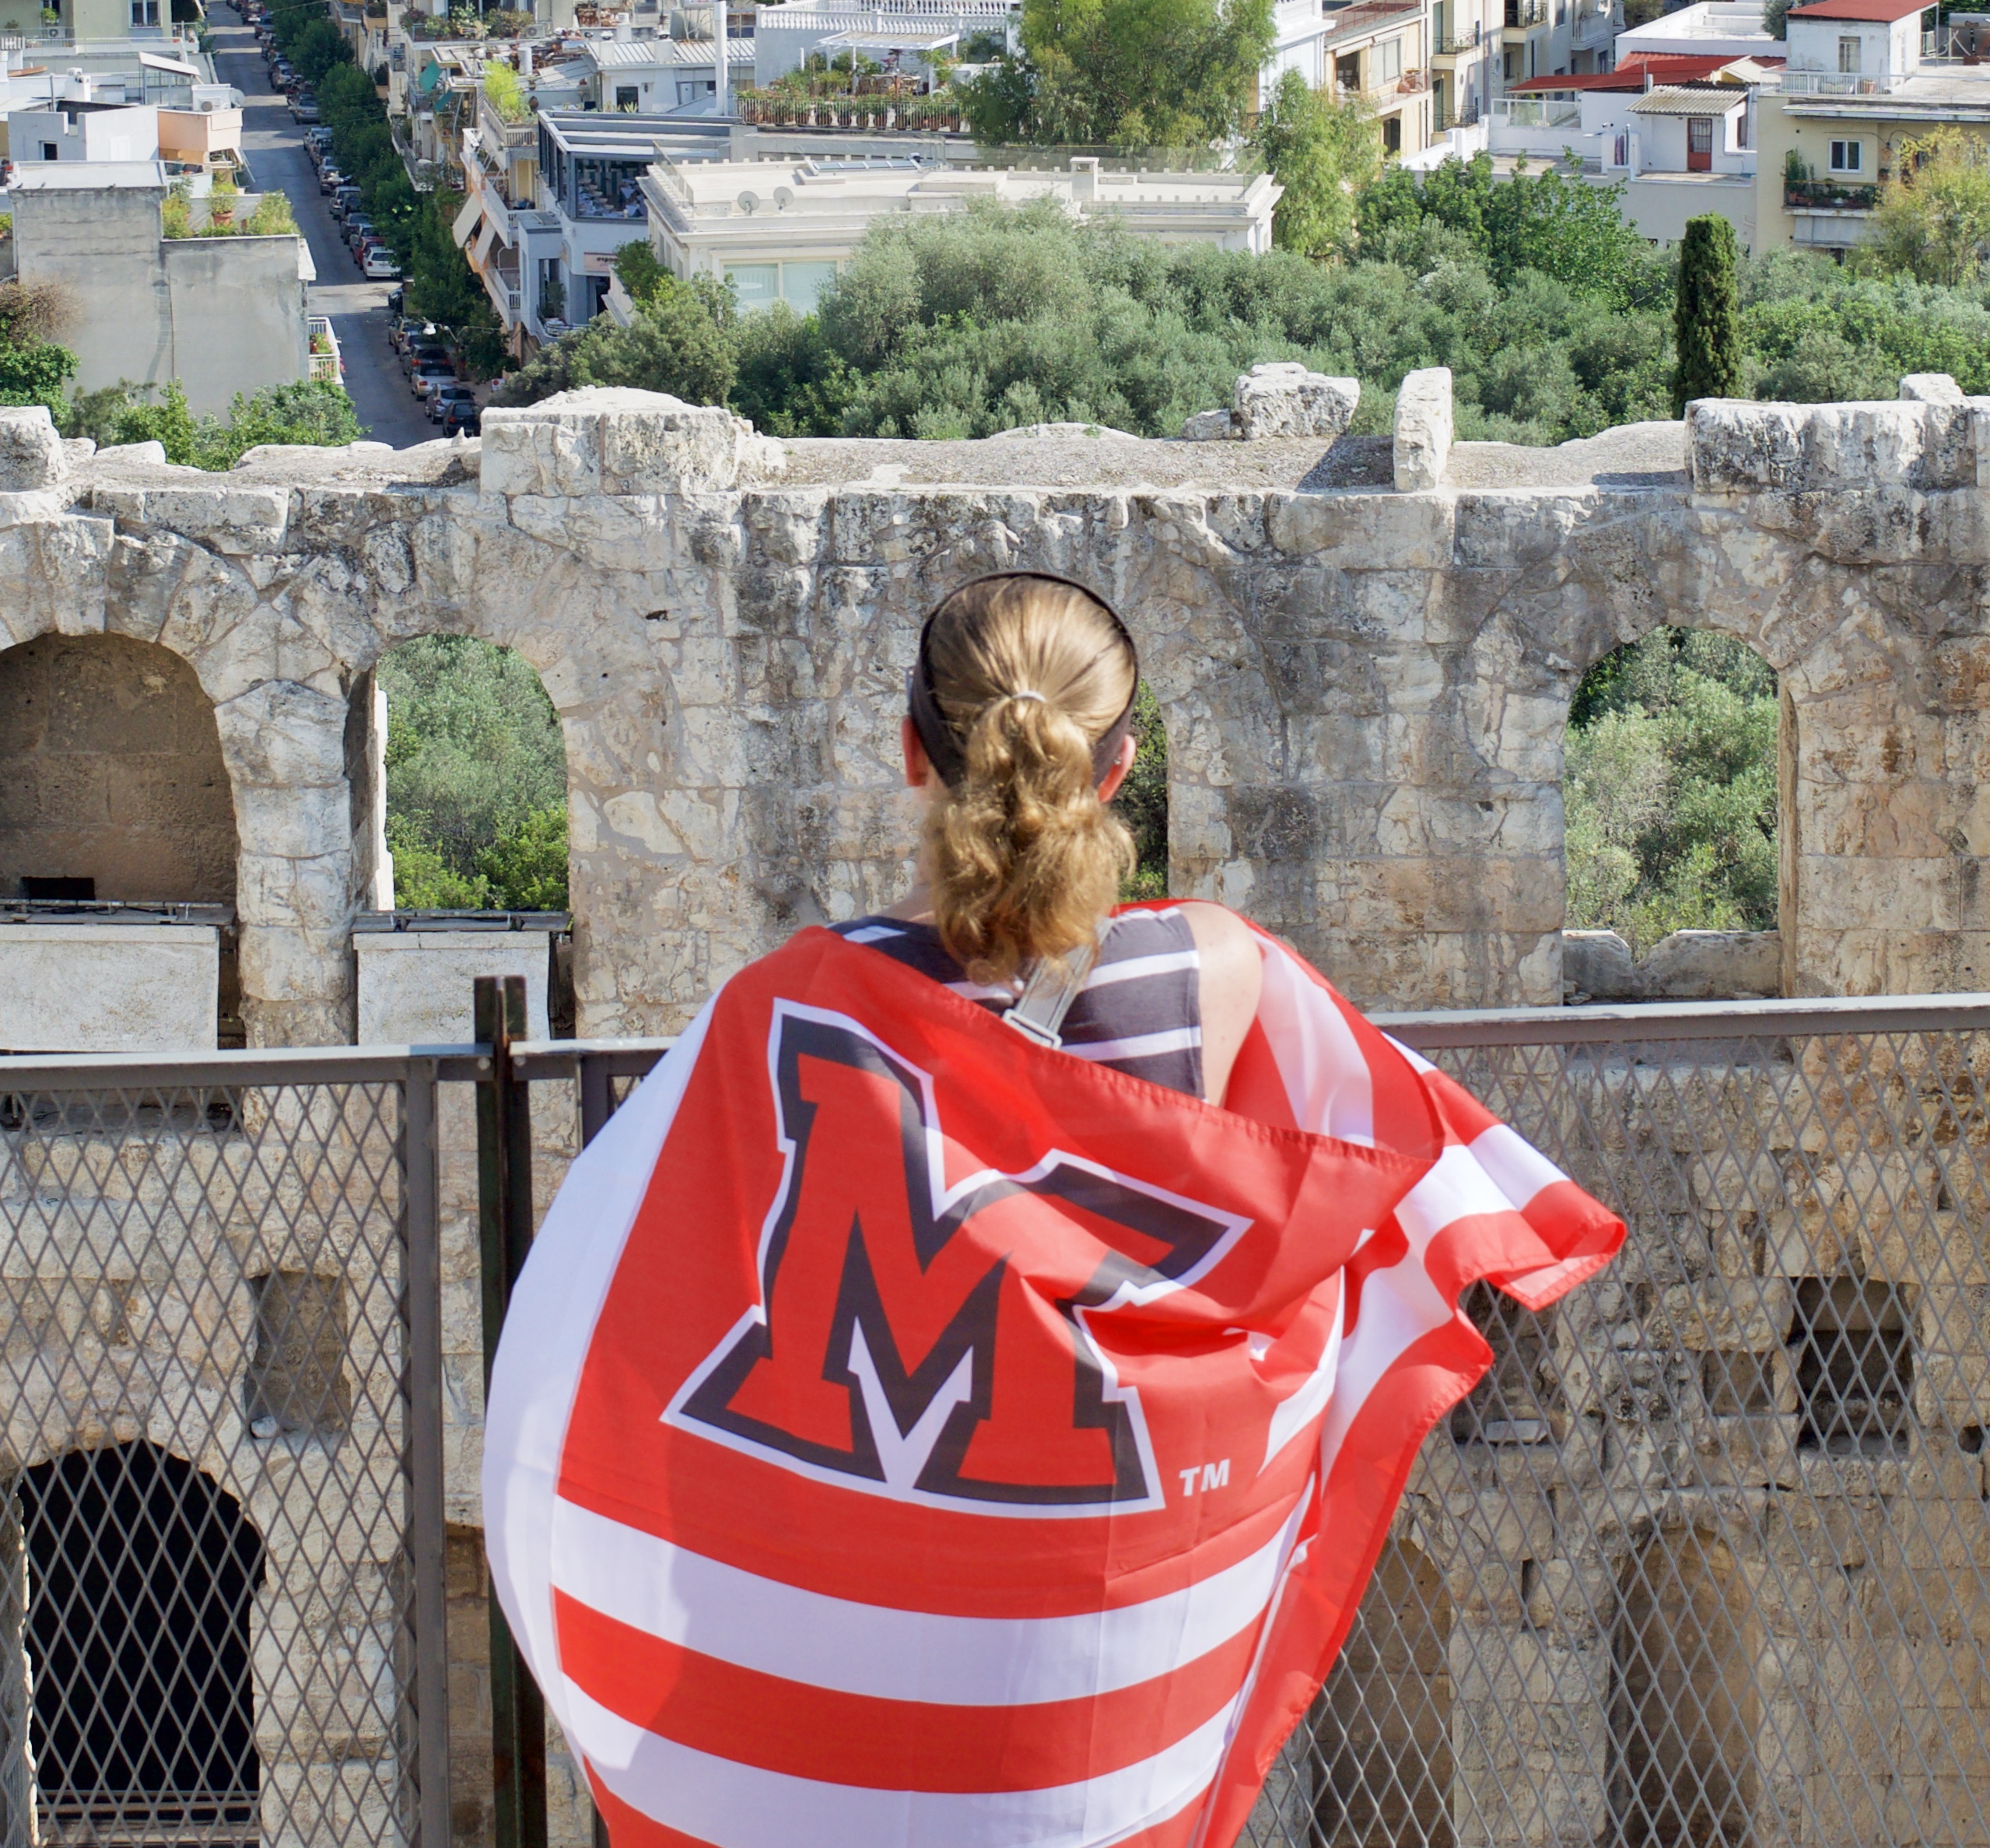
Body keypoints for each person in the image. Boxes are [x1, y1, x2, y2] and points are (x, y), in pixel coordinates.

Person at [484, 570, 1622, 1848]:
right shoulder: (1215, 972)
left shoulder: (783, 1011)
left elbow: (607, 1304)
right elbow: (1340, 1179)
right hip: (1071, 1726)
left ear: (911, 751)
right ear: (1119, 762)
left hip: (828, 1723)